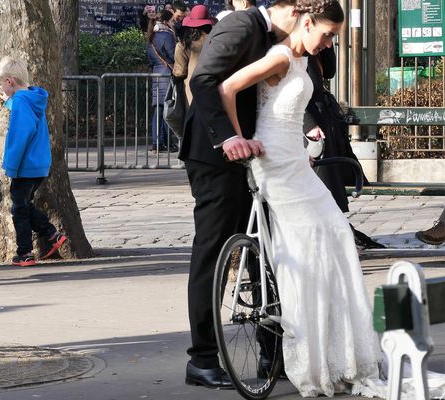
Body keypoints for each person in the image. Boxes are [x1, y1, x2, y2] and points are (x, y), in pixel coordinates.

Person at [218, 1, 445, 397]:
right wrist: (238, 138)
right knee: (312, 246)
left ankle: (339, 350)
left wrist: (303, 142)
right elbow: (228, 87)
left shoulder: (304, 61)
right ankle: (311, 354)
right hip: (272, 164)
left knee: (338, 236)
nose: (328, 43)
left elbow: (290, 113)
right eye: (325, 34)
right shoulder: (280, 56)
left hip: (296, 159)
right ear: (306, 23)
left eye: (333, 38)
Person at [181, 0, 299, 389]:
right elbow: (203, 80)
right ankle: (201, 358)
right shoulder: (243, 24)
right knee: (212, 252)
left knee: (261, 249)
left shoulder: (277, 38)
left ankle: (271, 351)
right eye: (301, 13)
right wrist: (229, 137)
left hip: (251, 156)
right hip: (214, 154)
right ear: (288, 7)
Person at [303, 47, 385, 249]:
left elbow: (330, 71)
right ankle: (332, 238)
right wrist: (308, 124)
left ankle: (336, 234)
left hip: (326, 121)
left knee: (331, 184)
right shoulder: (291, 47)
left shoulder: (314, 48)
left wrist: (326, 48)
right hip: (311, 125)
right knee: (322, 184)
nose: (328, 39)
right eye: (328, 34)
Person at [0, 56, 67, 267]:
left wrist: (11, 165)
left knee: (19, 209)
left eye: (1, 85)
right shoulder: (32, 98)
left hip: (25, 165)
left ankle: (25, 251)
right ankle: (50, 234)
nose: (1, 89)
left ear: (9, 81)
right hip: (39, 164)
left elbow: (21, 133)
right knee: (24, 205)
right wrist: (8, 101)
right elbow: (24, 111)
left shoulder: (22, 102)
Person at [146, 10, 178, 153]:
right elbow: (173, 56)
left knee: (157, 110)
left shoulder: (151, 36)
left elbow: (150, 60)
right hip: (167, 74)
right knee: (167, 110)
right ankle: (166, 142)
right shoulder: (167, 35)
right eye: (172, 20)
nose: (173, 23)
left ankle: (156, 143)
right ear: (166, 21)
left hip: (156, 74)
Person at [173, 5, 215, 108]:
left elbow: (180, 72)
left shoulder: (183, 45)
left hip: (191, 95)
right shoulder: (216, 42)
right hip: (214, 92)